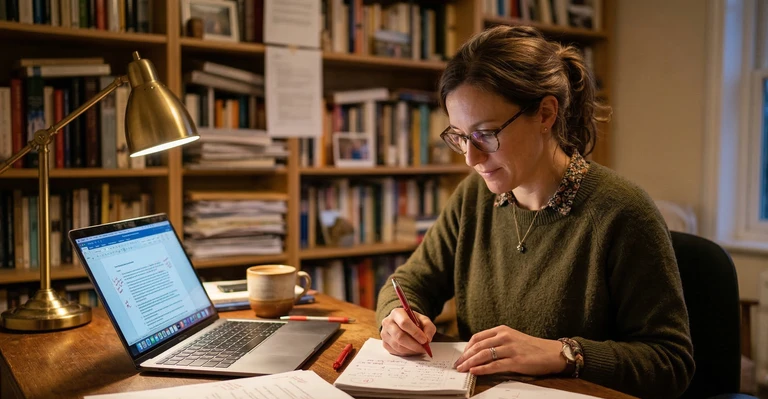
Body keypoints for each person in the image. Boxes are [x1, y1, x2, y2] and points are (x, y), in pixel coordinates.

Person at [375, 25, 694, 398]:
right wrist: (396, 319)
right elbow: (408, 283)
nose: (471, 158)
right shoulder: (473, 198)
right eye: (460, 136)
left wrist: (562, 354)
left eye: (486, 134)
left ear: (545, 114)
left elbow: (670, 363)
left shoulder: (622, 212)